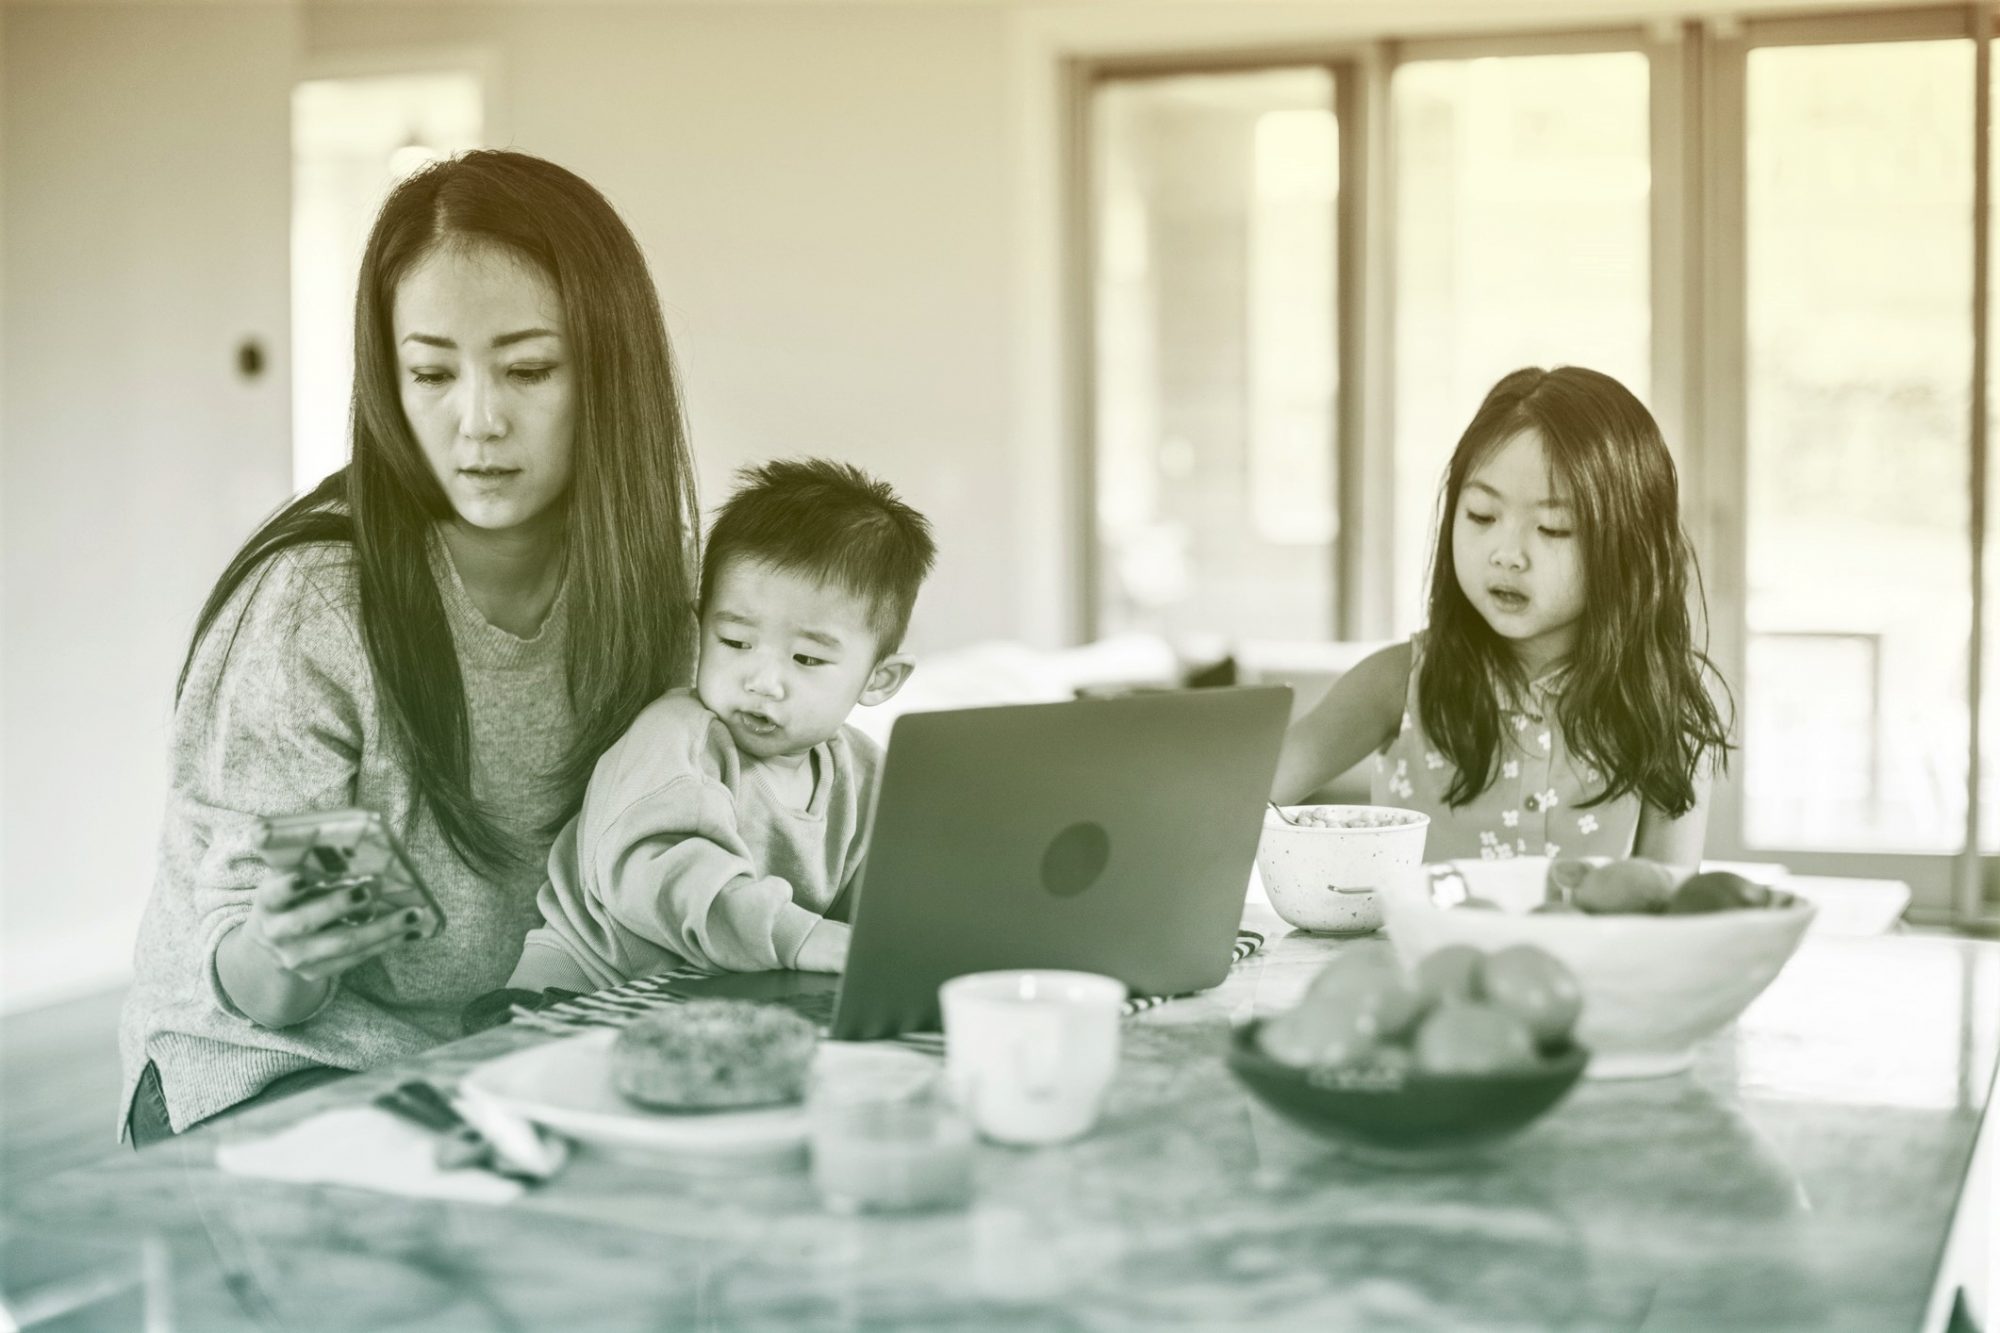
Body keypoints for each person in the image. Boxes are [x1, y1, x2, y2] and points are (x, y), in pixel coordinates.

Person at [118, 150, 701, 1144]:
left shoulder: (662, 588)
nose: (477, 420)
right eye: (430, 372)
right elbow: (257, 988)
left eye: (526, 369)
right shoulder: (315, 602)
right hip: (276, 1069)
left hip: (498, 1060)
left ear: (610, 368)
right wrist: (285, 944)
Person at [502, 457, 936, 998]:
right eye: (735, 642)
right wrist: (798, 938)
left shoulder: (863, 774)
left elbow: (864, 914)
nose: (763, 681)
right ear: (700, 628)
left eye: (805, 659)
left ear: (879, 679)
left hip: (708, 1003)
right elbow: (661, 874)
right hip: (580, 992)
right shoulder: (679, 736)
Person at [1272, 366, 1732, 864]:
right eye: (1482, 516)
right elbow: (1243, 796)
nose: (1507, 554)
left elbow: (1665, 899)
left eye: (1555, 528)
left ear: (1629, 547)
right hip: (1419, 946)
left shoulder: (1666, 703)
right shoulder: (1399, 682)